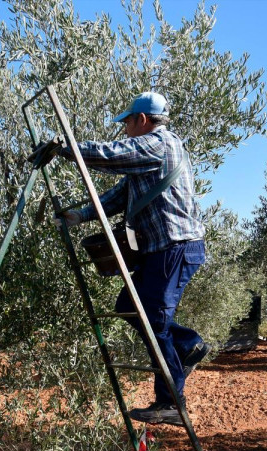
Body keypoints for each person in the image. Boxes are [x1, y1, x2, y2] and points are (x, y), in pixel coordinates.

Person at [46, 92, 212, 427]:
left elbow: (113, 155)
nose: (124, 129)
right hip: (161, 250)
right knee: (128, 304)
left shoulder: (160, 144)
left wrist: (66, 147)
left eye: (127, 122)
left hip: (175, 247)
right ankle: (189, 345)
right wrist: (81, 215)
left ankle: (171, 403)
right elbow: (117, 196)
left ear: (143, 120)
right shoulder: (147, 158)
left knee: (153, 321)